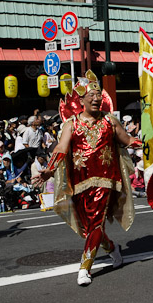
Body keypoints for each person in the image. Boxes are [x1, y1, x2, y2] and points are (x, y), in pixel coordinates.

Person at [33, 72, 141, 286]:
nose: (96, 98)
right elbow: (62, 148)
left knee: (95, 222)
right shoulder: (71, 124)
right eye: (91, 95)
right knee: (90, 227)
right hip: (79, 182)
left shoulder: (110, 121)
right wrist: (49, 170)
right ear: (81, 100)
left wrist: (152, 143)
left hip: (106, 180)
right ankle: (112, 248)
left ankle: (84, 268)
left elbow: (128, 140)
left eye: (98, 95)